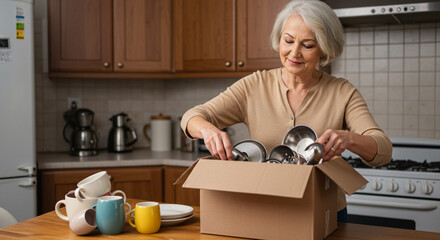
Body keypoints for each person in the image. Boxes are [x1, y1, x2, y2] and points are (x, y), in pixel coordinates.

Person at [180, 0, 392, 222]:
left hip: (324, 214)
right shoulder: (254, 85)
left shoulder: (343, 92)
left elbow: (383, 149)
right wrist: (208, 131)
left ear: (324, 48)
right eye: (288, 41)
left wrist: (348, 139)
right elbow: (191, 117)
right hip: (266, 211)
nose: (294, 53)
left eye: (307, 45)